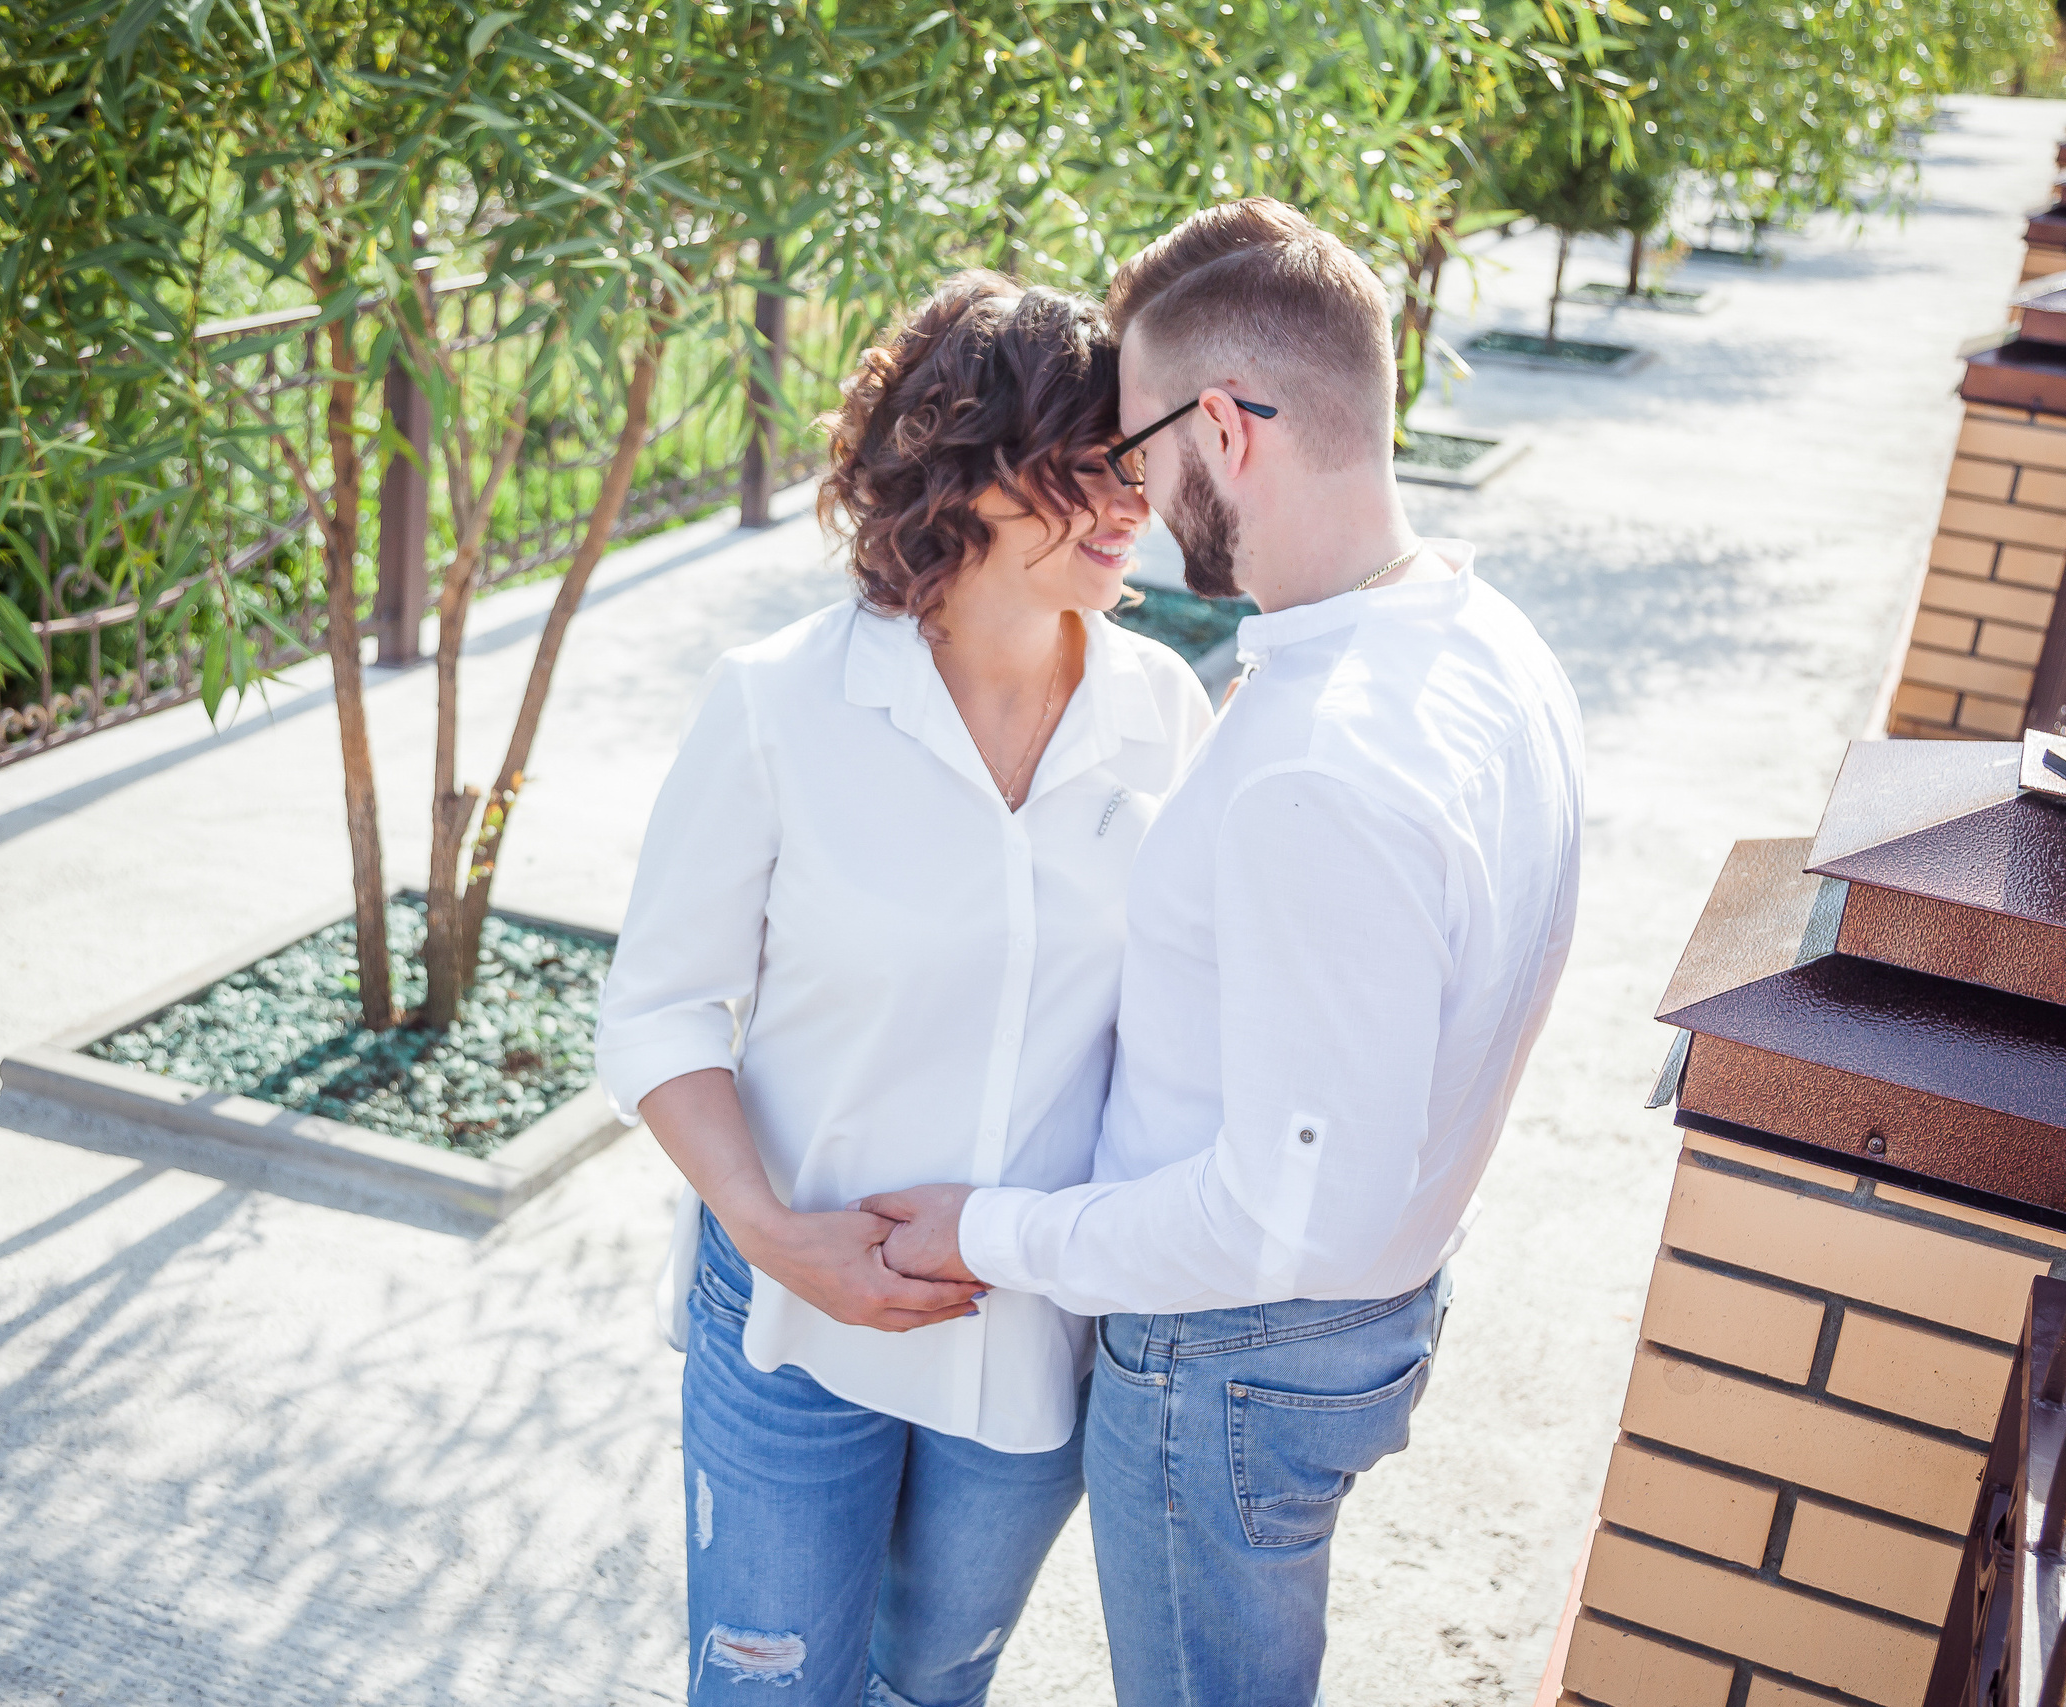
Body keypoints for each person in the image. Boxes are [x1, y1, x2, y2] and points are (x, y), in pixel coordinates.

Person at [861, 199, 1587, 1706]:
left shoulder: (1318, 769)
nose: (1127, 496)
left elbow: (1279, 1218)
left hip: (1227, 1363)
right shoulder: (1486, 645)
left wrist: (994, 1234)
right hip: (1355, 1322)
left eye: (1135, 451)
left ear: (1229, 431)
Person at [594, 271, 1214, 1707]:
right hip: (791, 1327)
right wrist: (770, 1233)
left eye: (1137, 466)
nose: (1132, 507)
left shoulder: (1163, 714)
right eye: (1087, 471)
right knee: (768, 1692)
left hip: (1031, 1336)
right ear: (966, 476)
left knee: (929, 1690)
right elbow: (659, 1011)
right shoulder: (780, 705)